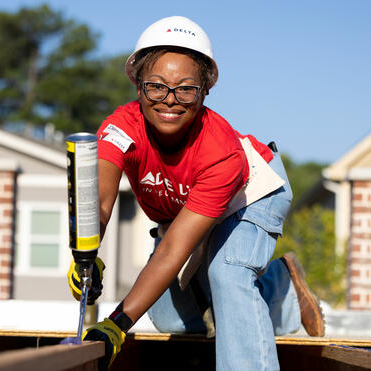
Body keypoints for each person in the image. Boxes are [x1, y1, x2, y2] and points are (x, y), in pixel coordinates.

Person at [68, 16, 325, 370]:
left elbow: (174, 248)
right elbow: (100, 200)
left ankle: (269, 288)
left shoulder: (220, 152)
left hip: (253, 189)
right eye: (156, 86)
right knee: (172, 320)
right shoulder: (120, 129)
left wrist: (117, 324)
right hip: (187, 209)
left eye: (185, 88)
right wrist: (86, 250)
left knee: (228, 274)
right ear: (137, 85)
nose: (170, 100)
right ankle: (282, 296)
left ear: (205, 91)